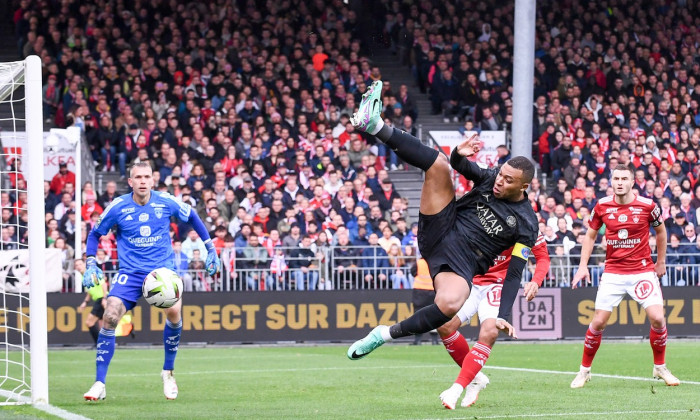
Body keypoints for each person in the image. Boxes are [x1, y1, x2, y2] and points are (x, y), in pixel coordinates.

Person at [346, 81, 539, 396]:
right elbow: (463, 167)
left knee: (449, 304)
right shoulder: (490, 179)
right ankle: (375, 124)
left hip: (462, 261)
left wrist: (503, 315)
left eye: (508, 180)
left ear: (524, 187)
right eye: (501, 174)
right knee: (439, 164)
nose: (500, 182)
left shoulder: (527, 224)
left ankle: (383, 335)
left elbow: (515, 272)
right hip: (443, 225)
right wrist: (458, 154)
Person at [81, 162, 221, 401]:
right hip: (131, 272)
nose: (143, 180)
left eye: (147, 176)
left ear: (153, 180)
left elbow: (193, 216)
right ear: (131, 182)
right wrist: (91, 262)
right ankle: (99, 383)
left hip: (162, 273)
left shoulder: (166, 201)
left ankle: (168, 371)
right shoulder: (118, 206)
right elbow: (95, 233)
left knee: (175, 311)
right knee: (111, 314)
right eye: (138, 177)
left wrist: (210, 248)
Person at [570, 163, 679, 388]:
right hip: (613, 272)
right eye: (616, 179)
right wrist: (583, 266)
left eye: (624, 179)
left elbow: (661, 231)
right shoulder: (601, 206)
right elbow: (589, 236)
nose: (619, 183)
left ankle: (660, 367)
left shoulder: (648, 206)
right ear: (612, 181)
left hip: (642, 271)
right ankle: (584, 371)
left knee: (658, 318)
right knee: (598, 322)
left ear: (632, 182)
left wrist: (660, 261)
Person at [437, 233, 550, 409]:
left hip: (498, 285)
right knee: (444, 326)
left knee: (489, 332)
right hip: (471, 282)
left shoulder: (525, 221)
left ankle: (456, 389)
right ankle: (475, 378)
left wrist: (536, 281)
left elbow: (543, 257)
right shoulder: (480, 211)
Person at [76, 258, 109, 346]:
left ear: (84, 264)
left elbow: (103, 284)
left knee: (89, 322)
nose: (79, 266)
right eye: (76, 265)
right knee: (103, 325)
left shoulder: (91, 274)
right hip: (100, 299)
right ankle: (103, 343)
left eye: (80, 264)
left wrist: (104, 298)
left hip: (101, 299)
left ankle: (99, 344)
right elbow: (90, 292)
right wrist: (85, 302)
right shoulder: (84, 277)